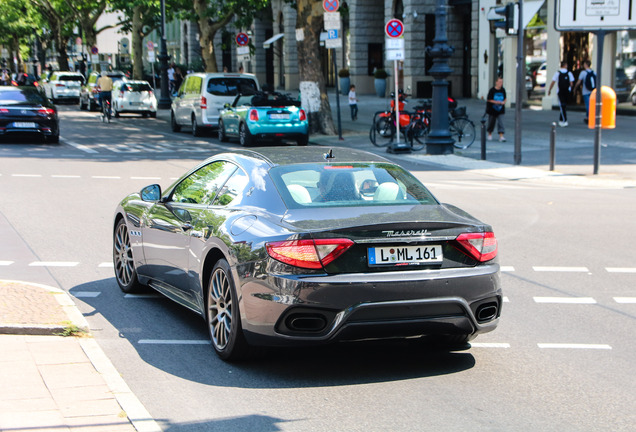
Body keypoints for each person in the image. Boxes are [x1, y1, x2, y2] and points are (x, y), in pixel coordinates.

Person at [548, 61, 574, 127]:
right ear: (566, 65)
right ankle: (562, 119)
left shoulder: (557, 73)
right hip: (567, 91)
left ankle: (564, 120)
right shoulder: (569, 73)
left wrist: (549, 90)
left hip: (560, 91)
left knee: (562, 105)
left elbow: (553, 82)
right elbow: (571, 83)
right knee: (564, 106)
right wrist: (570, 89)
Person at [486, 77, 507, 142]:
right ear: (496, 82)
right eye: (500, 82)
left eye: (502, 82)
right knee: (491, 122)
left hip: (501, 109)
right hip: (492, 109)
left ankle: (501, 136)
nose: (501, 83)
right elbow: (489, 99)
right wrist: (496, 102)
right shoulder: (492, 90)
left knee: (501, 122)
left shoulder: (503, 90)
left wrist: (504, 102)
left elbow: (505, 98)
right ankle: (490, 133)